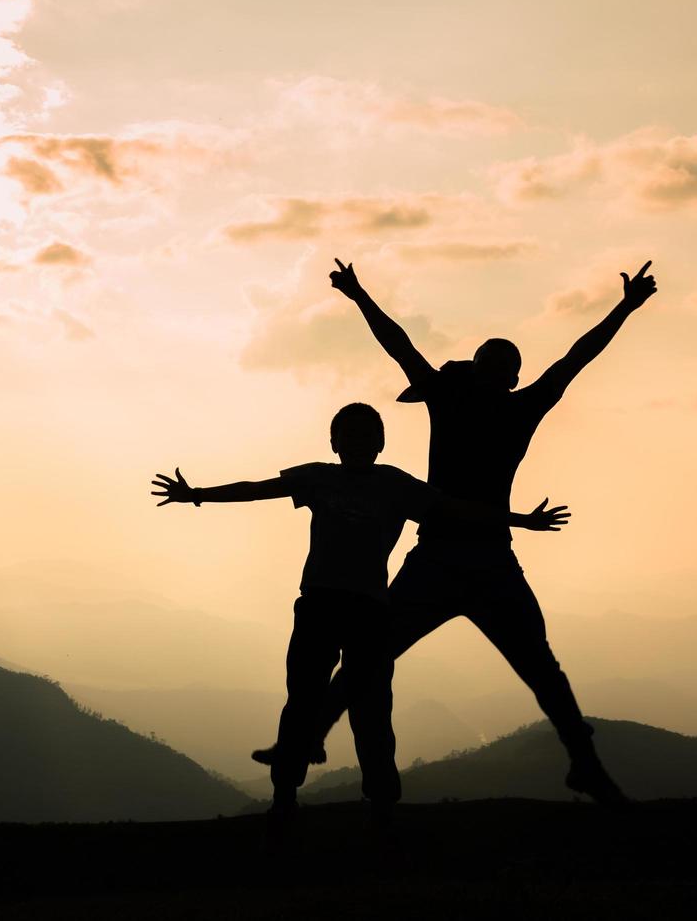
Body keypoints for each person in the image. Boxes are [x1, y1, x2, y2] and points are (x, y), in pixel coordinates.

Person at [253, 258, 657, 804]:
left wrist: (357, 294)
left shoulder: (454, 402)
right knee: (536, 666)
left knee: (383, 660)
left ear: (482, 371)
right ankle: (583, 762)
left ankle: (305, 742)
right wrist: (624, 309)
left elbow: (401, 346)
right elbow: (574, 359)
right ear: (510, 376)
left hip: (450, 559)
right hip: (475, 558)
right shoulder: (518, 406)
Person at [152, 402, 569, 819]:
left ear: (381, 443)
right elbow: (257, 488)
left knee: (371, 708)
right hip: (318, 605)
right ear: (333, 442)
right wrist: (197, 496)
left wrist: (519, 520)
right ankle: (284, 798)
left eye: (365, 435)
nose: (356, 443)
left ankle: (383, 801)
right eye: (347, 435)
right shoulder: (317, 477)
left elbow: (457, 510)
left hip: (370, 613)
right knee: (303, 701)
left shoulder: (396, 485)